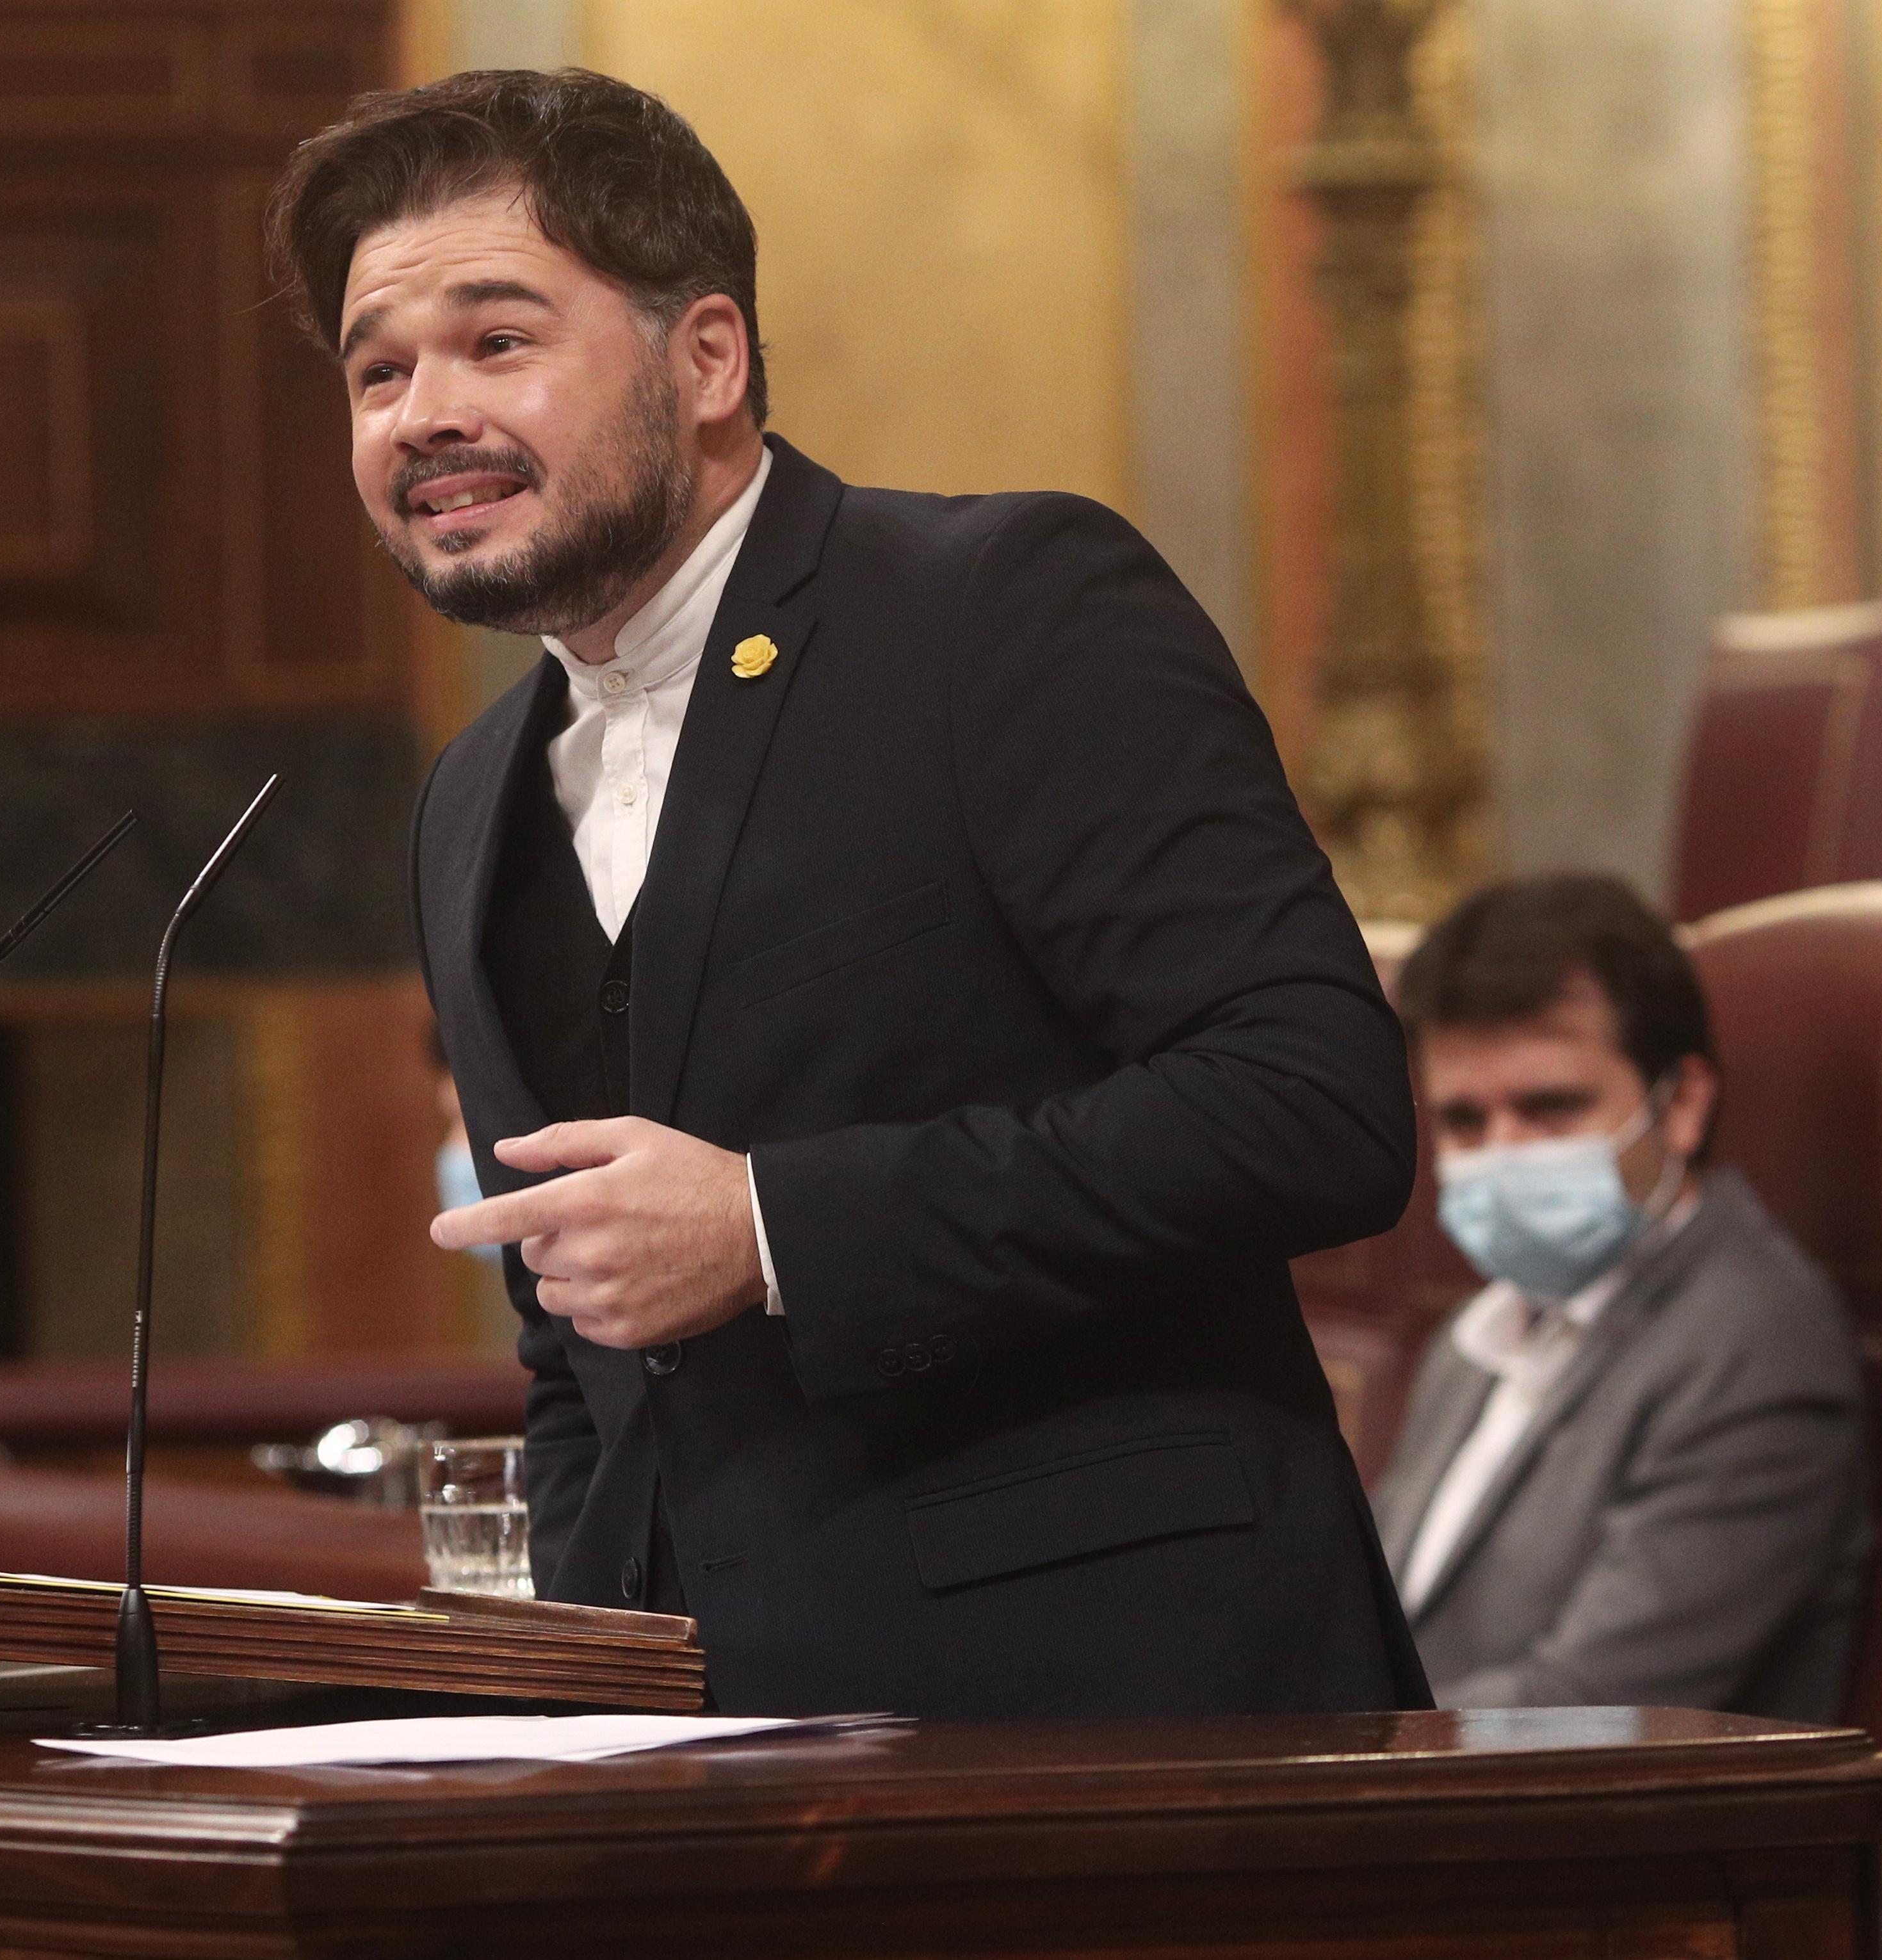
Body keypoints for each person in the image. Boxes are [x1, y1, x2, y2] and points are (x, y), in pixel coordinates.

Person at [267, 68, 1427, 1717]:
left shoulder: (998, 610)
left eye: (497, 341)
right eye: (378, 371)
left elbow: (1313, 1104)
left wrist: (771, 1226)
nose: (421, 413)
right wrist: (568, 1692)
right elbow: (577, 1343)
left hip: (1121, 1723)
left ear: (711, 358)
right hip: (695, 1769)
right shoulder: (469, 799)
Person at [1369, 874, 1873, 1719]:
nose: (1504, 1153)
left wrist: (1332, 1755)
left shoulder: (1755, 1347)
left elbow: (1588, 1711)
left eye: (1551, 1107)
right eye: (1464, 1121)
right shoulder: (1474, 1334)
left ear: (1682, 1104)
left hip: (1612, 1838)